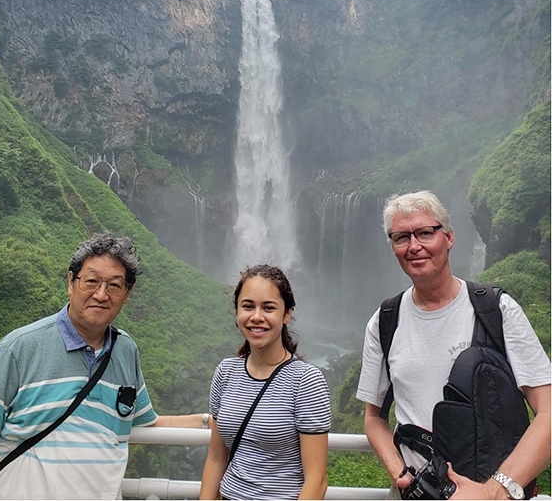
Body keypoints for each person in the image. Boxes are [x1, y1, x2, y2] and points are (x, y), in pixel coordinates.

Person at [0, 233, 211, 500]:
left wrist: (209, 421)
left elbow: (144, 426)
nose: (101, 294)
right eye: (91, 281)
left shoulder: (126, 350)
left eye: (114, 286)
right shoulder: (19, 349)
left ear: (127, 294)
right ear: (71, 282)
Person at [356, 190, 551, 500]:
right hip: (418, 493)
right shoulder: (385, 320)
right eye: (401, 237)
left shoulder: (497, 311)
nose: (414, 246)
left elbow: (549, 411)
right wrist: (400, 473)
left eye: (424, 233)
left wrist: (495, 490)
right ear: (393, 247)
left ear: (448, 237)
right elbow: (373, 417)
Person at [199, 264, 331, 500]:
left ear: (287, 314)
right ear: (237, 311)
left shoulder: (306, 381)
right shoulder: (226, 372)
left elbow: (317, 480)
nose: (256, 317)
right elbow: (216, 458)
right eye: (248, 306)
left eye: (268, 308)